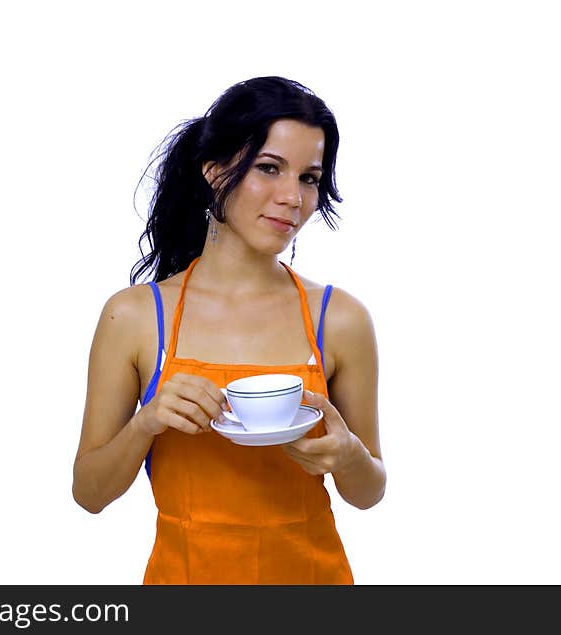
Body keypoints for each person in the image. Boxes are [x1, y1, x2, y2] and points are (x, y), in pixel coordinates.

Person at [72, 76, 385, 584]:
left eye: (309, 177)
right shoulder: (133, 317)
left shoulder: (341, 319)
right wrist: (145, 423)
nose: (293, 198)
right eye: (268, 168)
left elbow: (368, 492)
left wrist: (349, 455)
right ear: (216, 172)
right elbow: (89, 493)